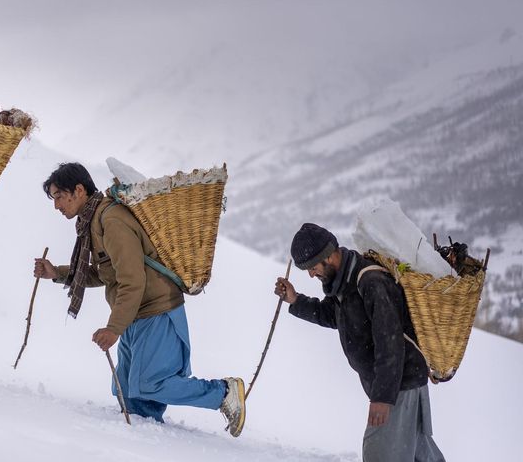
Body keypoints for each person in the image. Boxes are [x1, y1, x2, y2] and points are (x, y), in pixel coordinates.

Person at [33, 162, 245, 436]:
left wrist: (113, 328)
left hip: (156, 310)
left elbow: (133, 280)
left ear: (79, 190)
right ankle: (143, 445)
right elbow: (108, 274)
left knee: (150, 384)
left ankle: (223, 393)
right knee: (127, 393)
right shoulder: (94, 222)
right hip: (136, 313)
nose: (56, 206)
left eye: (59, 197)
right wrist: (58, 273)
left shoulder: (111, 221)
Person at [274, 223, 444, 461]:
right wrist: (295, 301)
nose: (312, 274)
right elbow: (333, 316)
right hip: (394, 384)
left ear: (330, 256)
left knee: (380, 455)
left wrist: (383, 398)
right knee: (419, 454)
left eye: (313, 267)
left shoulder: (371, 282)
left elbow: (390, 344)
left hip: (399, 384)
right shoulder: (344, 282)